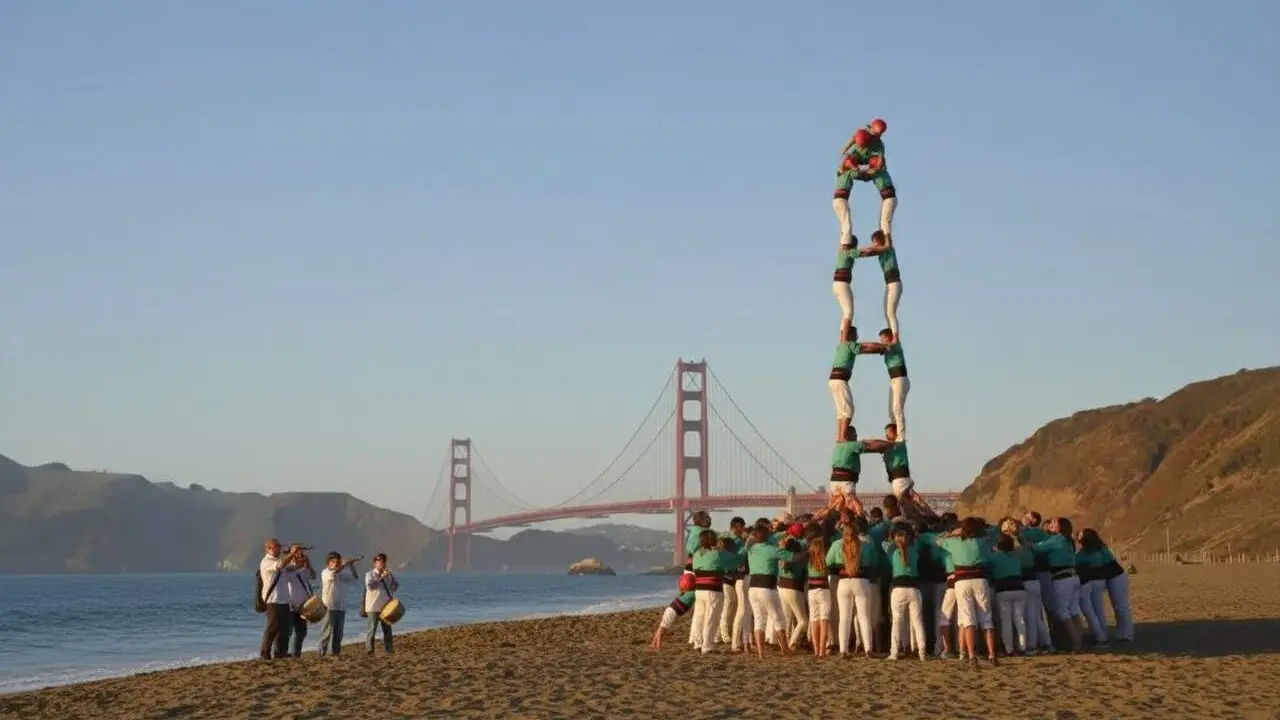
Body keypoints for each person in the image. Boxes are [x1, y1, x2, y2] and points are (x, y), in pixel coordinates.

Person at [838, 118, 897, 241]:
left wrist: (872, 171)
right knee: (849, 163)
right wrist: (844, 153)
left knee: (874, 164)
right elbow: (850, 144)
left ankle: (885, 240)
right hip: (858, 158)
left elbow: (880, 162)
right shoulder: (861, 134)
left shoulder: (879, 144)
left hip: (871, 159)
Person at [828, 326, 888, 441]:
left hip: (834, 380)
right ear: (850, 335)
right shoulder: (850, 345)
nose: (857, 337)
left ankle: (840, 436)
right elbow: (866, 349)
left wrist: (879, 347)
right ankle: (842, 436)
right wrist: (882, 349)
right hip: (840, 380)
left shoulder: (842, 345)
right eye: (855, 334)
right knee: (848, 411)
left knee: (842, 412)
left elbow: (866, 345)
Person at [829, 425, 892, 516]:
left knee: (835, 507)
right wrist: (891, 445)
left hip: (835, 481)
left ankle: (816, 521)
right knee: (856, 508)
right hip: (846, 481)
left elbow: (868, 443)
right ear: (847, 435)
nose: (856, 437)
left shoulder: (839, 446)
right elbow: (872, 447)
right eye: (854, 435)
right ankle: (861, 523)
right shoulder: (851, 445)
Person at [258, 539, 300, 660]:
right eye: (276, 547)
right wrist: (291, 553)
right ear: (268, 549)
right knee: (273, 627)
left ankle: (281, 653)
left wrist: (296, 555)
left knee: (285, 629)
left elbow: (294, 568)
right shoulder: (266, 562)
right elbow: (280, 565)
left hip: (284, 599)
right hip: (273, 599)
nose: (279, 549)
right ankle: (265, 653)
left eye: (279, 547)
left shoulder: (279, 560)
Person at [857, 230, 902, 339]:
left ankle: (895, 338)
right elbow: (868, 252)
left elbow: (870, 250)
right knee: (887, 313)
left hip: (894, 283)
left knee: (891, 312)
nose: (874, 245)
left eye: (875, 242)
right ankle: (891, 334)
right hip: (889, 284)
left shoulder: (888, 248)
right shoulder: (880, 251)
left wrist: (855, 251)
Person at [318, 552, 360, 657]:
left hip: (341, 607)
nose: (336, 563)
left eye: (338, 561)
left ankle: (336, 654)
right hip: (329, 606)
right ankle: (321, 654)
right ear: (328, 562)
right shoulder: (325, 572)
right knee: (326, 633)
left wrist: (351, 565)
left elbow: (355, 577)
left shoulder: (342, 573)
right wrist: (344, 564)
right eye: (333, 561)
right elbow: (334, 573)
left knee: (338, 634)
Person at [878, 328, 910, 443]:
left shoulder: (895, 345)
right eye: (881, 339)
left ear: (891, 337)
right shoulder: (886, 349)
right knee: (891, 412)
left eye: (884, 338)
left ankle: (901, 436)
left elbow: (886, 347)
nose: (882, 341)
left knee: (897, 408)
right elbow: (880, 349)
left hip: (900, 378)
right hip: (893, 380)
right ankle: (894, 435)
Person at [363, 553, 399, 655]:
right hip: (373, 607)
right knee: (372, 630)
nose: (381, 563)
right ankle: (369, 650)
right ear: (375, 563)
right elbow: (370, 586)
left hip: (386, 607)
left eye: (383, 561)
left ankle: (389, 649)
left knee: (387, 630)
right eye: (379, 561)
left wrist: (392, 578)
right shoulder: (369, 574)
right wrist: (381, 578)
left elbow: (394, 588)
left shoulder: (388, 574)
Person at [650, 574, 698, 650]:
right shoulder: (694, 592)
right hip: (672, 611)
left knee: (662, 628)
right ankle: (657, 645)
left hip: (671, 610)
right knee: (662, 628)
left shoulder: (688, 593)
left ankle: (653, 643)